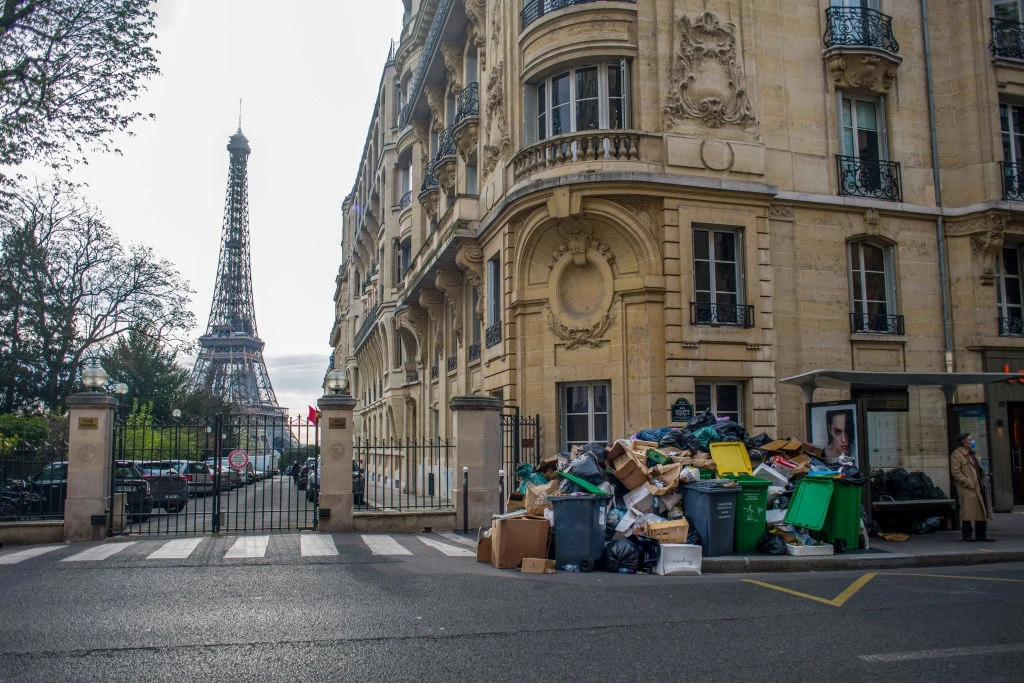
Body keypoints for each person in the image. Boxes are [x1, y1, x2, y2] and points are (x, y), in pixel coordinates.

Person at [950, 432, 994, 542]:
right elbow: (956, 471)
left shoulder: (973, 454)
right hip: (968, 487)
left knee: (981, 510)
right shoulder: (957, 454)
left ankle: (981, 534)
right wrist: (967, 482)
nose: (972, 441)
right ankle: (967, 535)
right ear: (964, 442)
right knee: (968, 512)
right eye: (970, 440)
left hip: (978, 485)